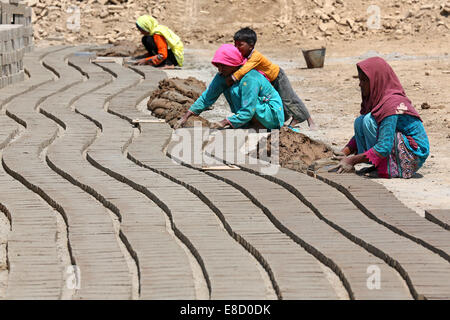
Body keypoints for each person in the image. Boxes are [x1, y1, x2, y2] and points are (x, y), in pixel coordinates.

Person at [332, 56, 429, 178]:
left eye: (364, 80)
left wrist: (352, 161)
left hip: (414, 154)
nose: (360, 84)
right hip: (395, 144)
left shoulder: (391, 104)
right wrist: (343, 153)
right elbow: (361, 134)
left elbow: (384, 146)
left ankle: (387, 168)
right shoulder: (378, 100)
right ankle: (380, 165)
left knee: (368, 121)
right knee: (360, 121)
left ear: (376, 81)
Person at [175, 44, 285, 130]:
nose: (220, 69)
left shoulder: (250, 78)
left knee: (247, 99)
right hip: (251, 111)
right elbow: (207, 97)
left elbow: (249, 109)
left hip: (271, 115)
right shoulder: (222, 75)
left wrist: (223, 122)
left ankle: (260, 125)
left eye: (224, 66)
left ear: (235, 64)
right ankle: (248, 123)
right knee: (231, 88)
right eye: (218, 65)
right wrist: (186, 116)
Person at [229, 27, 317, 130]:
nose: (237, 48)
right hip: (270, 81)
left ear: (251, 45)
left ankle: (310, 121)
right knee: (280, 100)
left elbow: (244, 69)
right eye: (235, 45)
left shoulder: (255, 56)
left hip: (278, 77)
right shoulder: (245, 56)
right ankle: (291, 119)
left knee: (290, 99)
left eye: (240, 45)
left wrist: (233, 77)